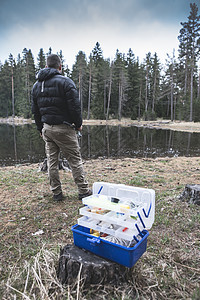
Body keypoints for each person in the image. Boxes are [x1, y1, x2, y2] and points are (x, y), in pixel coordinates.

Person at [31, 54, 91, 201]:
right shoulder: (66, 82)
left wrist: (40, 129)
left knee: (52, 161)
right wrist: (78, 124)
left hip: (47, 129)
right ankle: (83, 191)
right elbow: (75, 107)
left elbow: (35, 111)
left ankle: (57, 193)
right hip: (64, 128)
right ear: (60, 67)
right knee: (74, 160)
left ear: (46, 66)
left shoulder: (36, 85)